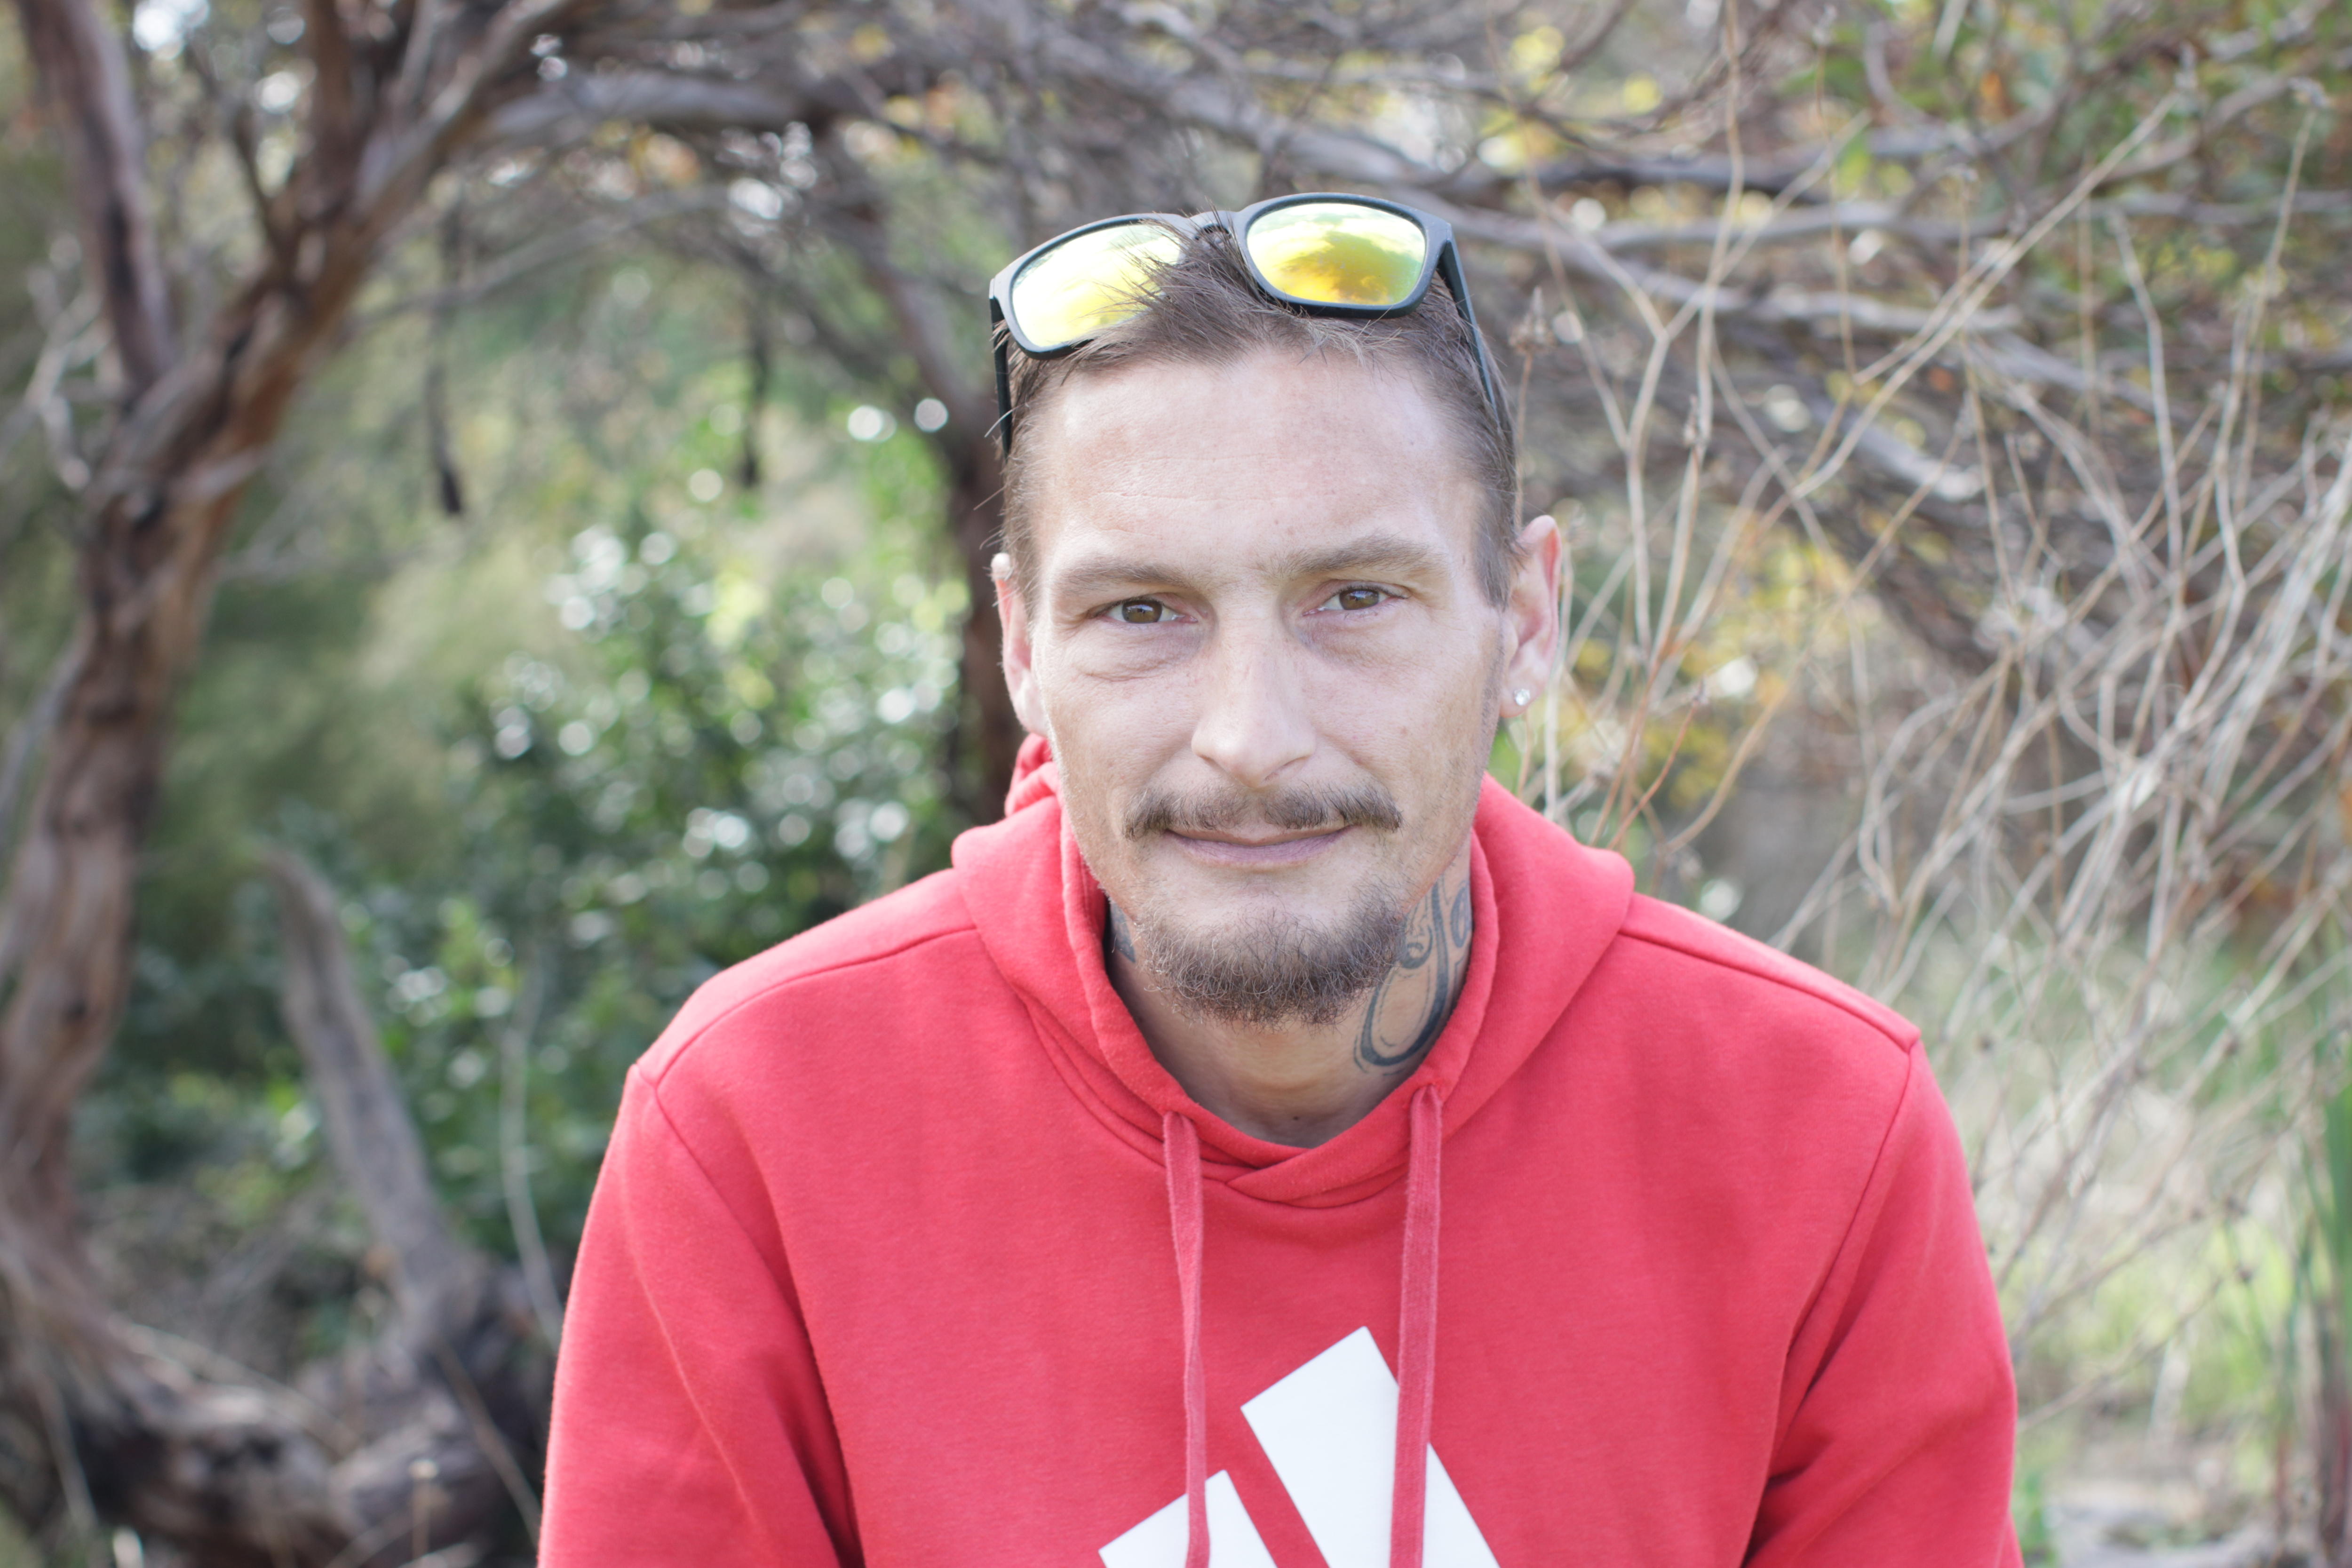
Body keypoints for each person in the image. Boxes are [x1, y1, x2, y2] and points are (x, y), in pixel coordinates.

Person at [540, 197, 2020, 1567]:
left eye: (1356, 598)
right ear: (1022, 648)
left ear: (1523, 618)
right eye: (1142, 609)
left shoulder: (1817, 1127)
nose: (1252, 739)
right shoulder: (757, 1132)